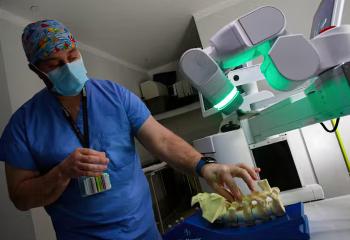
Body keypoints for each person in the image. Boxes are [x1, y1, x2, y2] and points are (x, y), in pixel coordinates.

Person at [0, 20, 260, 240]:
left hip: (145, 232)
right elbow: (21, 198)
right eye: (54, 64)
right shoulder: (22, 126)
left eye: (72, 56)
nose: (67, 66)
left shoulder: (114, 95)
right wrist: (62, 173)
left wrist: (205, 167)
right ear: (36, 70)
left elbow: (162, 140)